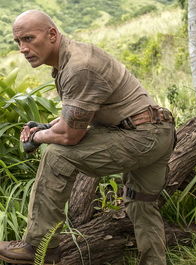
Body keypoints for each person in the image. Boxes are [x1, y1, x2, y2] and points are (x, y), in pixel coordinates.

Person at [0, 10, 175, 265]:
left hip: (140, 137)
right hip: (156, 132)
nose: (23, 49)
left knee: (56, 156)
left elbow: (70, 136)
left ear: (51, 34)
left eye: (28, 38)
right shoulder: (71, 58)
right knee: (141, 203)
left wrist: (37, 139)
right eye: (18, 42)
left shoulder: (79, 67)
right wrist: (46, 126)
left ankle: (39, 247)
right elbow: (79, 116)